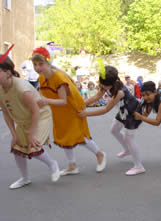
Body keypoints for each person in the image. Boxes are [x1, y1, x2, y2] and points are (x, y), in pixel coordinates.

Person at [31, 46, 106, 175]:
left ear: (48, 63)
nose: (37, 67)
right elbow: (42, 96)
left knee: (78, 135)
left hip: (72, 109)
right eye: (35, 64)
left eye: (40, 64)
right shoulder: (42, 78)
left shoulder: (59, 78)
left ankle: (99, 154)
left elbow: (63, 100)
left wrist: (45, 101)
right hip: (58, 110)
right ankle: (72, 165)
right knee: (64, 137)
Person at [0, 48, 60, 189]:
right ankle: (25, 178)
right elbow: (6, 113)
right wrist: (14, 134)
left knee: (34, 146)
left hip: (40, 117)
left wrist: (32, 134)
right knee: (17, 148)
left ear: (7, 72)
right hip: (23, 120)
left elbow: (35, 112)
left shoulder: (22, 88)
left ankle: (53, 164)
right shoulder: (1, 89)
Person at [78, 65, 146, 176]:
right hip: (124, 110)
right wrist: (81, 104)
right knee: (114, 130)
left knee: (129, 138)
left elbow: (105, 109)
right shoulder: (104, 84)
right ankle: (127, 150)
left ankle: (139, 166)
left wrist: (86, 114)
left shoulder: (120, 92)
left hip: (134, 112)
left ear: (111, 83)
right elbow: (96, 97)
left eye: (103, 84)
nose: (101, 86)